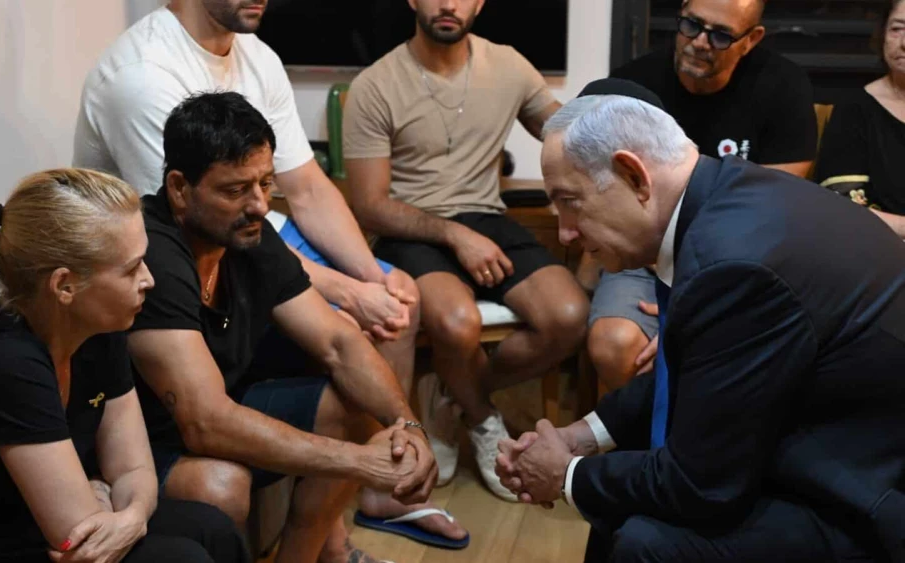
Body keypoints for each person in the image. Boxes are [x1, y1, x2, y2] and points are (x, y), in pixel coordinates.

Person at [496, 81, 905, 562]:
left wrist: (564, 475)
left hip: (861, 500)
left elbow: (700, 486)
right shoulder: (727, 196)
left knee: (642, 540)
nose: (564, 233)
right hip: (822, 440)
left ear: (633, 175)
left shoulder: (733, 265)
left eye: (570, 201)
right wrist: (581, 435)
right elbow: (705, 372)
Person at [125, 92, 445, 563]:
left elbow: (338, 343)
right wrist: (359, 462)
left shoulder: (249, 235)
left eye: (266, 184)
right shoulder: (154, 253)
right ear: (178, 188)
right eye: (235, 190)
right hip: (139, 443)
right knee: (223, 486)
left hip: (218, 408)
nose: (259, 205)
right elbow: (204, 422)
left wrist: (408, 423)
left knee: (351, 400)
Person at [72, 0, 420, 395]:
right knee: (352, 326)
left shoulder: (258, 56)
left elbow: (306, 186)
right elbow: (206, 223)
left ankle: (403, 445)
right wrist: (352, 295)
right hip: (183, 252)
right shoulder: (142, 75)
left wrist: (372, 281)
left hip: (251, 232)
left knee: (400, 294)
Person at [0, 169, 246, 563]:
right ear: (64, 286)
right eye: (131, 268)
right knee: (181, 558)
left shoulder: (100, 329)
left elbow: (134, 468)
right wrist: (95, 493)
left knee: (213, 529)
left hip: (34, 523)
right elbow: (75, 538)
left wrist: (131, 516)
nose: (149, 279)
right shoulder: (5, 363)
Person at [342, 0, 589, 503]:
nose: (449, 4)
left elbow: (571, 134)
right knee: (457, 325)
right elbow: (368, 206)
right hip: (410, 228)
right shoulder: (376, 84)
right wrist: (454, 236)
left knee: (569, 315)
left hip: (487, 217)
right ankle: (483, 419)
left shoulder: (510, 66)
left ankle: (450, 397)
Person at [589, 0, 820, 393]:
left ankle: (704, 451)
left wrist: (695, 301)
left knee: (728, 346)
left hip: (739, 264)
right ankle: (635, 452)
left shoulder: (783, 86)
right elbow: (608, 203)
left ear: (751, 40)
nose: (699, 42)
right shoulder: (632, 88)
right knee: (616, 343)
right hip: (645, 256)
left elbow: (773, 212)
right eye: (691, 25)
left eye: (720, 34)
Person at [815, 0, 905, 236]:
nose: (904, 43)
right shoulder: (855, 108)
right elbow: (842, 205)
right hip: (881, 248)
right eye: (897, 29)